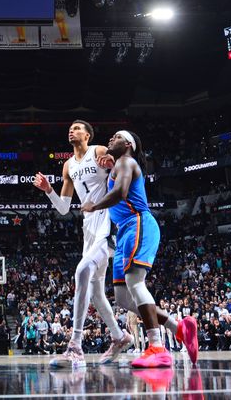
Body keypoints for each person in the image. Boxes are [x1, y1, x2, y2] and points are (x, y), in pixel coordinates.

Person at [82, 131, 198, 368]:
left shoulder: (128, 161)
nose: (110, 139)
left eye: (116, 137)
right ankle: (180, 329)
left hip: (138, 223)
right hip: (123, 231)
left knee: (136, 284)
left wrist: (94, 206)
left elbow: (120, 193)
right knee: (123, 298)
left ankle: (157, 347)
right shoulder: (118, 163)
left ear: (128, 145)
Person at [34, 120, 133, 367]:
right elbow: (64, 208)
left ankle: (75, 346)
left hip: (108, 221)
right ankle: (120, 337)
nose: (72, 130)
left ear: (87, 135)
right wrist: (49, 190)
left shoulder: (99, 151)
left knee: (81, 271)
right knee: (97, 292)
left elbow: (123, 168)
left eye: (77, 128)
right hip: (88, 226)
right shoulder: (67, 166)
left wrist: (111, 164)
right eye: (70, 128)